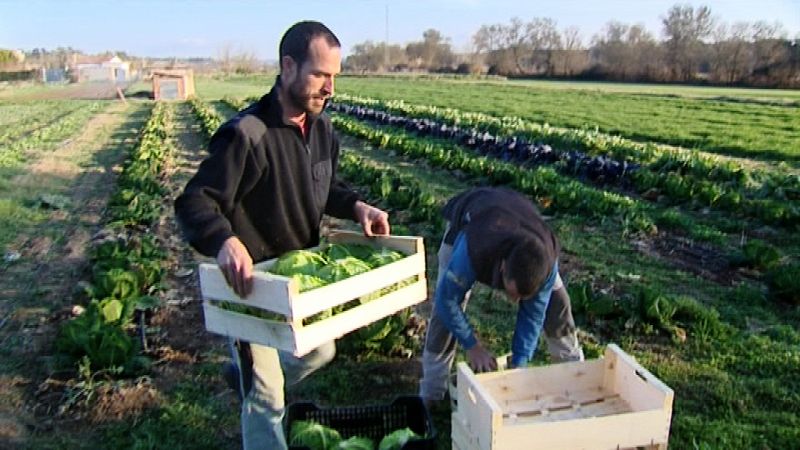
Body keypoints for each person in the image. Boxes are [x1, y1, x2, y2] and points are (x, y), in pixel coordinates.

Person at [174, 21, 390, 450]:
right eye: (320, 75)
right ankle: (259, 396)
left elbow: (324, 187)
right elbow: (194, 201)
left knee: (320, 351)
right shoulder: (247, 135)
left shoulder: (322, 129)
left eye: (334, 78)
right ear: (288, 67)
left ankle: (247, 377)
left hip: (301, 284)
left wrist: (357, 206)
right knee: (269, 395)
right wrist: (224, 240)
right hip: (254, 289)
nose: (329, 88)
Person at [419, 187, 583, 406]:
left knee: (558, 304)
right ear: (504, 267)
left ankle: (575, 376)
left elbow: (533, 317)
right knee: (445, 314)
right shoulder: (472, 250)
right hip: (470, 219)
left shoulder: (544, 265)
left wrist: (519, 363)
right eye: (512, 293)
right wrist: (473, 347)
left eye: (522, 298)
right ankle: (432, 391)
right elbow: (446, 300)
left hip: (521, 217)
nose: (514, 302)